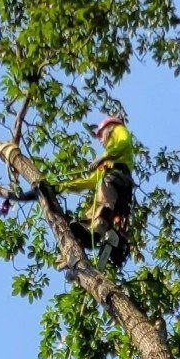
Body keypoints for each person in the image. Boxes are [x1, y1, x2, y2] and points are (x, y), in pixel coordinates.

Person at [61, 113, 134, 267]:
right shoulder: (108, 164)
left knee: (103, 192)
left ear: (108, 128)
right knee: (89, 214)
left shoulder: (118, 129)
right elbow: (91, 181)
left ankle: (98, 231)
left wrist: (103, 157)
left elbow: (124, 143)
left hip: (118, 180)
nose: (101, 141)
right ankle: (95, 236)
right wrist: (64, 186)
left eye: (101, 136)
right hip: (115, 188)